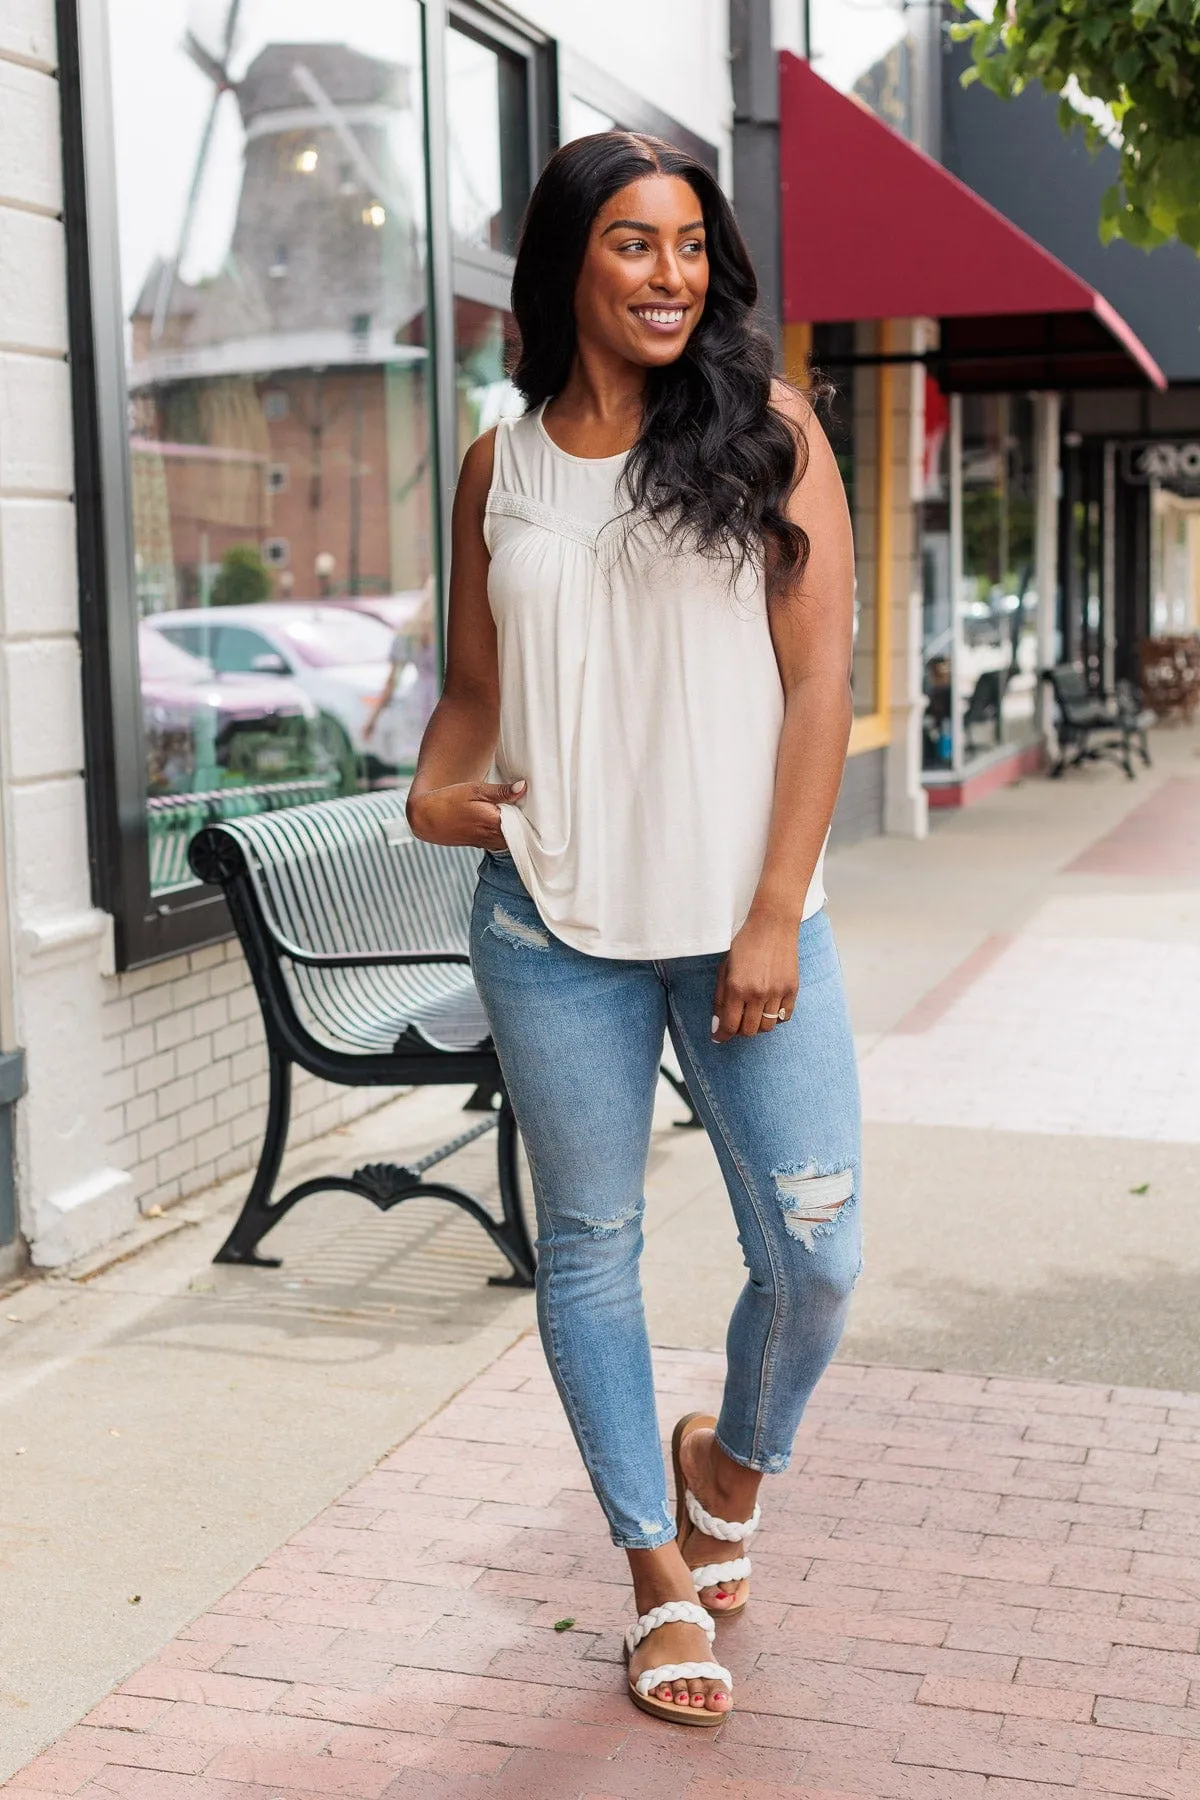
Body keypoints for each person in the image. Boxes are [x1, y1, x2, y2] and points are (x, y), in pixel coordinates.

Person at [406, 131, 859, 1727]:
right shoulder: (499, 466)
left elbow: (822, 692)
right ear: (566, 267)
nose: (667, 275)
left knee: (814, 1252)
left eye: (687, 246)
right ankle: (659, 1579)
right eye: (630, 245)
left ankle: (729, 1459)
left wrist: (772, 915)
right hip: (550, 921)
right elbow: (474, 692)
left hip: (744, 926)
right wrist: (436, 795)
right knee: (590, 1250)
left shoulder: (773, 435)